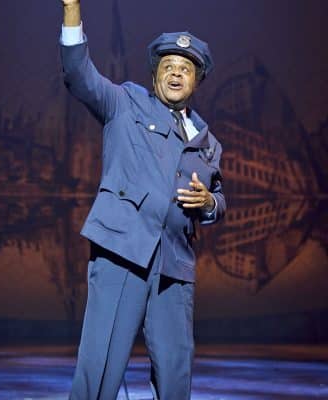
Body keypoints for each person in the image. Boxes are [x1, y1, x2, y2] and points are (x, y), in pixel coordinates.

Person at [59, 1, 226, 399]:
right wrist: (71, 8)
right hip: (123, 250)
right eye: (168, 66)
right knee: (101, 361)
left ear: (196, 81)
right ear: (155, 76)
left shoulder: (208, 142)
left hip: (175, 264)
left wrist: (209, 204)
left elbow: (219, 198)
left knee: (175, 368)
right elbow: (79, 74)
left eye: (185, 69)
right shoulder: (125, 103)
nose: (176, 73)